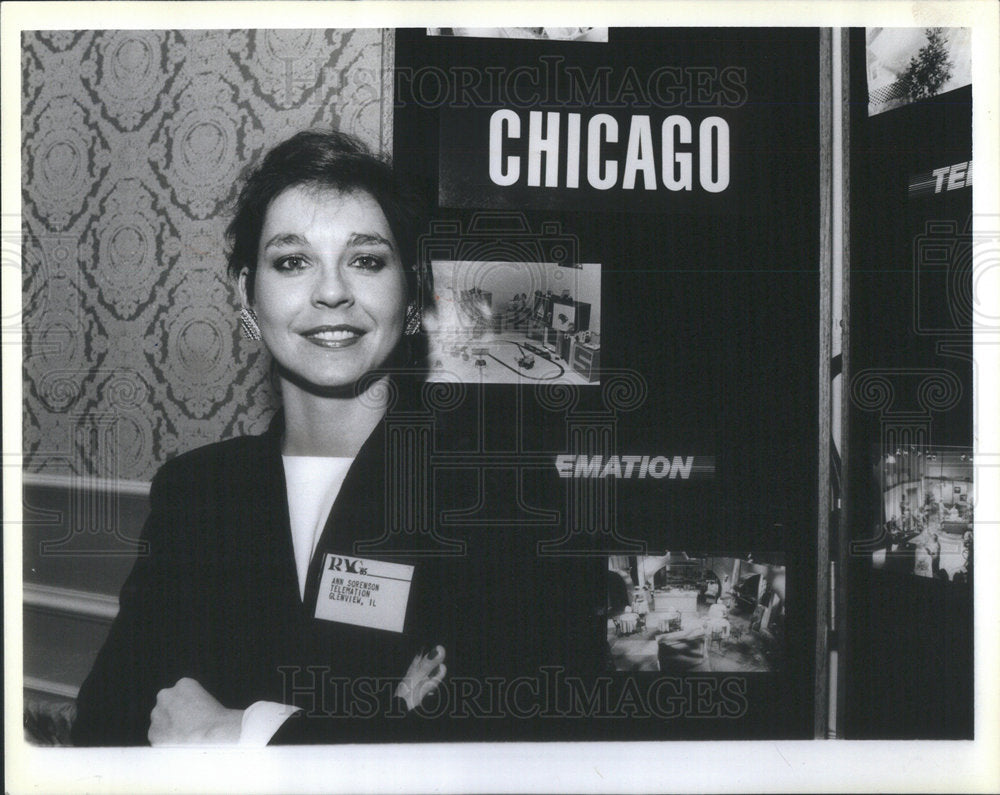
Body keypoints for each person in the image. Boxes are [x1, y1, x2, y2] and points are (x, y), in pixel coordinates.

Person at [71, 130, 604, 746]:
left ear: (410, 296)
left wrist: (245, 732)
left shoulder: (502, 497)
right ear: (245, 293)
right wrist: (388, 717)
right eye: (292, 261)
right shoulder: (196, 490)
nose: (331, 292)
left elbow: (511, 743)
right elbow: (105, 727)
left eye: (367, 260)